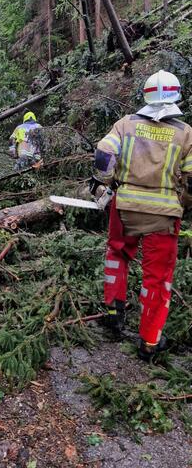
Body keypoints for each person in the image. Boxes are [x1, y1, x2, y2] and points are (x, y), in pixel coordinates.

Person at [90, 70, 192, 361]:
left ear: (145, 96)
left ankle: (113, 312)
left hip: (125, 208)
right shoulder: (185, 133)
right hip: (164, 215)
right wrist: (184, 203)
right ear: (175, 97)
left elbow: (103, 154)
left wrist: (103, 184)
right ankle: (149, 342)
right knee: (157, 279)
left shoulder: (126, 124)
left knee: (117, 255)